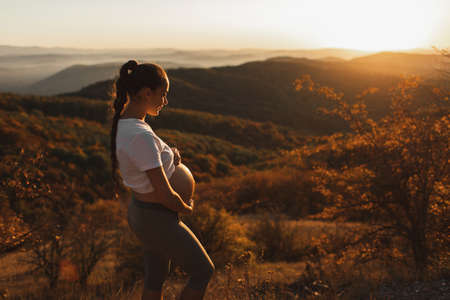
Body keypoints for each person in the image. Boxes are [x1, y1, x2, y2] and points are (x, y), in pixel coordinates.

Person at [110, 60, 215, 300]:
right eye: (163, 94)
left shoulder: (126, 126)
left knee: (155, 277)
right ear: (147, 93)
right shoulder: (139, 135)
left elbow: (147, 161)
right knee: (202, 271)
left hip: (144, 213)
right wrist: (186, 208)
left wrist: (171, 156)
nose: (165, 101)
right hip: (156, 215)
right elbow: (165, 193)